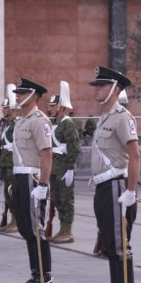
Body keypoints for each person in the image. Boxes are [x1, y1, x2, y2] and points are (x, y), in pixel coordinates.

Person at [88, 67, 141, 283]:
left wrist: (131, 191)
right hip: (103, 187)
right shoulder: (104, 117)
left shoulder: (123, 117)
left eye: (101, 85)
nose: (96, 88)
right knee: (110, 247)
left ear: (115, 88)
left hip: (116, 187)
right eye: (96, 85)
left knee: (120, 248)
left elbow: (135, 155)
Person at [8, 77, 54, 283]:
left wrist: (43, 184)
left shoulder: (39, 120)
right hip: (19, 176)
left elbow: (46, 153)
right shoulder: (21, 120)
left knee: (36, 229)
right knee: (26, 229)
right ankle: (35, 274)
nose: (17, 96)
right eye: (17, 92)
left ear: (34, 95)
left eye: (22, 92)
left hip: (33, 178)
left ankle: (44, 278)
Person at [46, 81, 80, 244]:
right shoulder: (54, 123)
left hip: (64, 169)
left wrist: (71, 169)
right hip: (54, 168)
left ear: (60, 107)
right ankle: (61, 229)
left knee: (66, 200)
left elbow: (74, 147)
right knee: (57, 199)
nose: (49, 109)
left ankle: (68, 231)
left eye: (52, 106)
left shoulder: (67, 123)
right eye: (49, 106)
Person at [0, 88, 18, 234]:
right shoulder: (5, 124)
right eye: (3, 107)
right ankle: (11, 218)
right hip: (4, 162)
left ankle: (15, 221)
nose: (3, 109)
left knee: (12, 192)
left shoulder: (16, 123)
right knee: (7, 192)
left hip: (12, 163)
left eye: (5, 107)